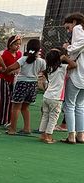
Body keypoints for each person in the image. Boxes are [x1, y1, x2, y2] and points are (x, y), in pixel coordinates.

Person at [4, 39, 46, 135]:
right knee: (25, 107)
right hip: (33, 85)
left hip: (22, 83)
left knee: (16, 107)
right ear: (39, 49)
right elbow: (45, 72)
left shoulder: (24, 59)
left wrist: (5, 71)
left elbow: (11, 67)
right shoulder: (41, 61)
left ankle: (12, 129)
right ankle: (27, 128)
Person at [39, 49, 76, 144]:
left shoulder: (49, 68)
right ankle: (49, 136)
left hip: (47, 96)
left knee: (45, 116)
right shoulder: (62, 67)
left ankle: (43, 135)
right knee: (53, 117)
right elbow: (74, 65)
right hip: (56, 98)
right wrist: (65, 58)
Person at [62, 13, 84, 144]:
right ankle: (81, 135)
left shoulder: (78, 28)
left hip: (78, 72)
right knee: (80, 105)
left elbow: (78, 45)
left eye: (68, 27)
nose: (69, 30)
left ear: (74, 22)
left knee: (69, 105)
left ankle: (71, 135)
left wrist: (67, 48)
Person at [0, 35, 22, 127]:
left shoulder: (19, 54)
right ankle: (1, 120)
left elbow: (19, 66)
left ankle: (9, 120)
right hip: (3, 80)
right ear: (10, 45)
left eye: (19, 44)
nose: (18, 46)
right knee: (4, 100)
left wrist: (14, 71)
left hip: (14, 80)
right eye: (16, 44)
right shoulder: (5, 54)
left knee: (12, 100)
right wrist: (6, 70)